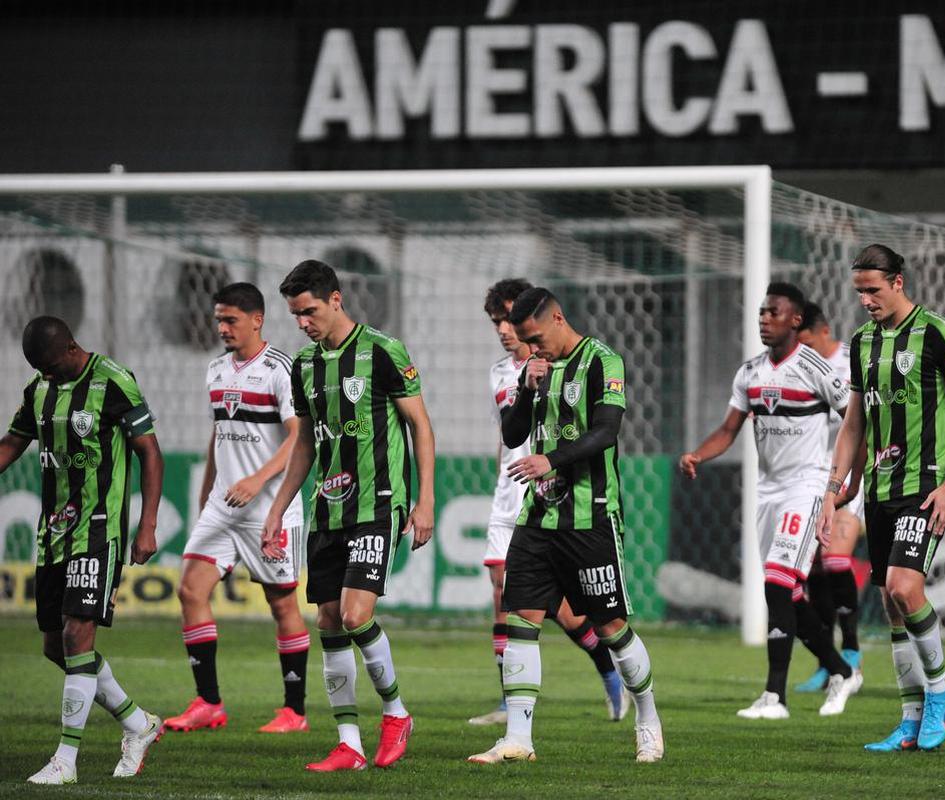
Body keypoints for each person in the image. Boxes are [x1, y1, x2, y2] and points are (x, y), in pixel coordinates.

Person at [467, 287, 664, 764]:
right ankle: (518, 738)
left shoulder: (603, 362)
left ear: (557, 317)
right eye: (525, 342)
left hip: (590, 517)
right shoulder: (534, 369)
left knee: (612, 627)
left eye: (536, 338)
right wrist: (524, 389)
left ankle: (648, 720)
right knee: (521, 619)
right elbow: (513, 433)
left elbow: (606, 432)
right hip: (536, 517)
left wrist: (551, 460)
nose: (533, 349)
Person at [263, 260, 436, 771]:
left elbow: (421, 427)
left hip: (379, 504)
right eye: (295, 315)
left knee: (358, 614)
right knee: (330, 621)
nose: (302, 323)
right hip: (327, 510)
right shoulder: (304, 365)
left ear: (336, 299)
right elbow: (304, 446)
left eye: (309, 311)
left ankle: (397, 714)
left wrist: (425, 501)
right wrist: (277, 508)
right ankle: (348, 744)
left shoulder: (383, 351)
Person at [819, 244, 945, 752]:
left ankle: (940, 696)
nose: (866, 300)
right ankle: (910, 718)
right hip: (879, 487)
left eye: (873, 289)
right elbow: (854, 423)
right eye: (859, 292)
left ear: (897, 281)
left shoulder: (937, 331)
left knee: (905, 587)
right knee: (892, 605)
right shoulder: (861, 343)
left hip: (926, 485)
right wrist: (835, 487)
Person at [679, 284, 861, 720]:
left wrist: (848, 482)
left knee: (777, 584)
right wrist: (698, 454)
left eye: (773, 312)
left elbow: (856, 420)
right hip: (769, 490)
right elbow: (729, 429)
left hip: (809, 485)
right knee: (787, 592)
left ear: (795, 320)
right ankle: (839, 669)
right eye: (761, 312)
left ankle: (775, 697)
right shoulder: (750, 373)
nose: (764, 318)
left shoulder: (816, 367)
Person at [0, 316, 164, 784]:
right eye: (40, 370)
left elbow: (149, 452)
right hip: (53, 533)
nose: (47, 376)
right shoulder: (38, 390)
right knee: (57, 646)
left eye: (51, 367)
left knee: (77, 635)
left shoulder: (114, 380)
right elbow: (14, 441)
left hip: (99, 530)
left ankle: (65, 761)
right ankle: (138, 724)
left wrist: (147, 525)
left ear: (72, 347)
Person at [164, 283, 310, 734]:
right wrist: (208, 491)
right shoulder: (215, 370)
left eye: (230, 320)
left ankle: (295, 712)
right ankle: (208, 702)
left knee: (281, 601)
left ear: (256, 319)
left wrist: (257, 480)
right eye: (219, 320)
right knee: (190, 590)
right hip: (223, 506)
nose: (222, 328)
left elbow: (298, 437)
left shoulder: (280, 369)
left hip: (271, 507)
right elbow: (219, 435)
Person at [793, 300, 866, 695]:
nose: (800, 349)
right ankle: (828, 663)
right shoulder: (796, 368)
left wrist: (856, 476)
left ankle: (852, 652)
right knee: (815, 569)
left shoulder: (850, 361)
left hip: (847, 475)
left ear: (823, 332)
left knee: (836, 558)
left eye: (805, 341)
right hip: (809, 480)